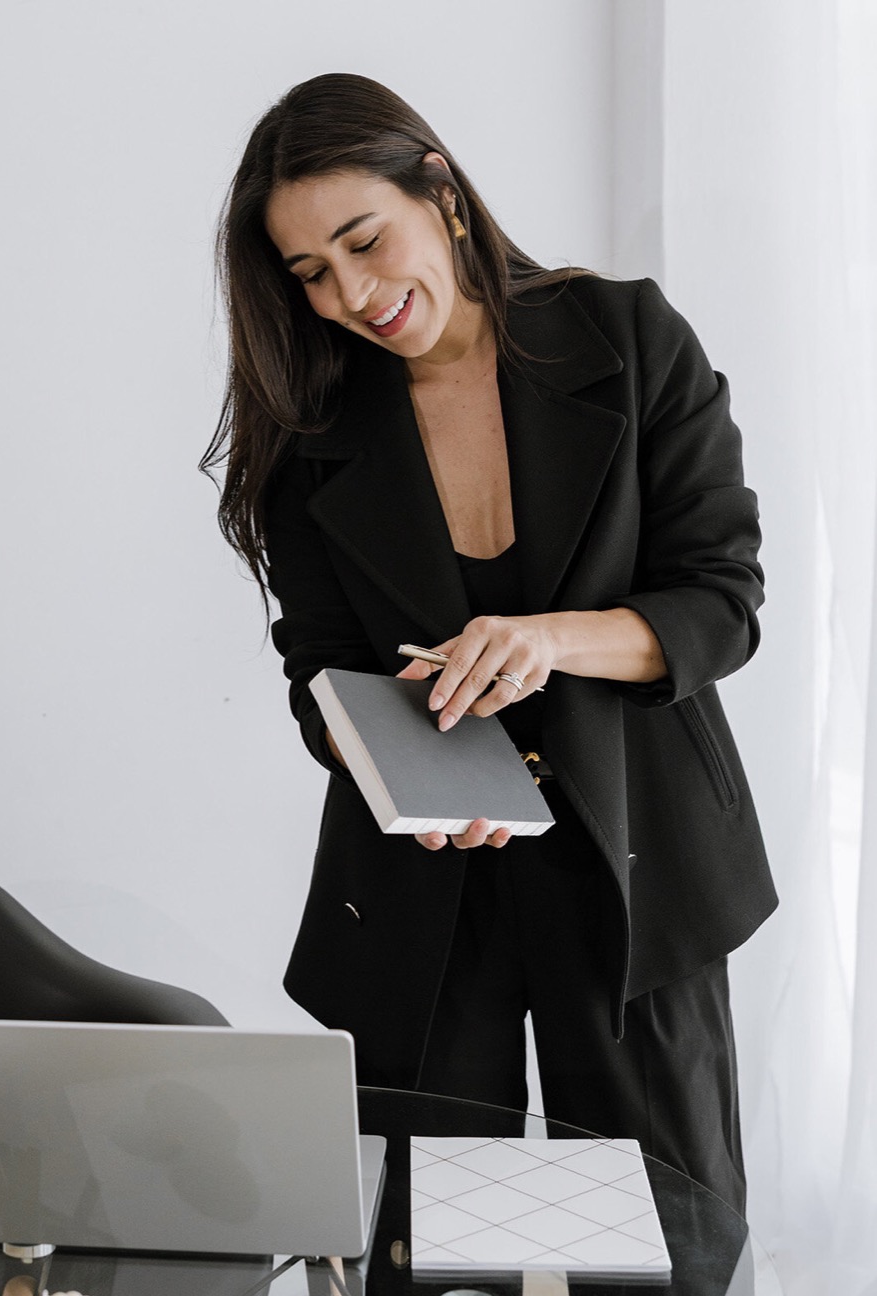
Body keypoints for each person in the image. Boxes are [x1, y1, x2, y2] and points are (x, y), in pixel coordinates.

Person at [202, 73, 776, 1219]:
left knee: (663, 1250)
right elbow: (320, 672)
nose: (353, 293)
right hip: (423, 881)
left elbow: (720, 601)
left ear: (442, 194)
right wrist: (416, 776)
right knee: (439, 1274)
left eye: (364, 241)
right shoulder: (311, 433)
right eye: (310, 274)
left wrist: (544, 642)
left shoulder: (624, 336)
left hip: (634, 861)